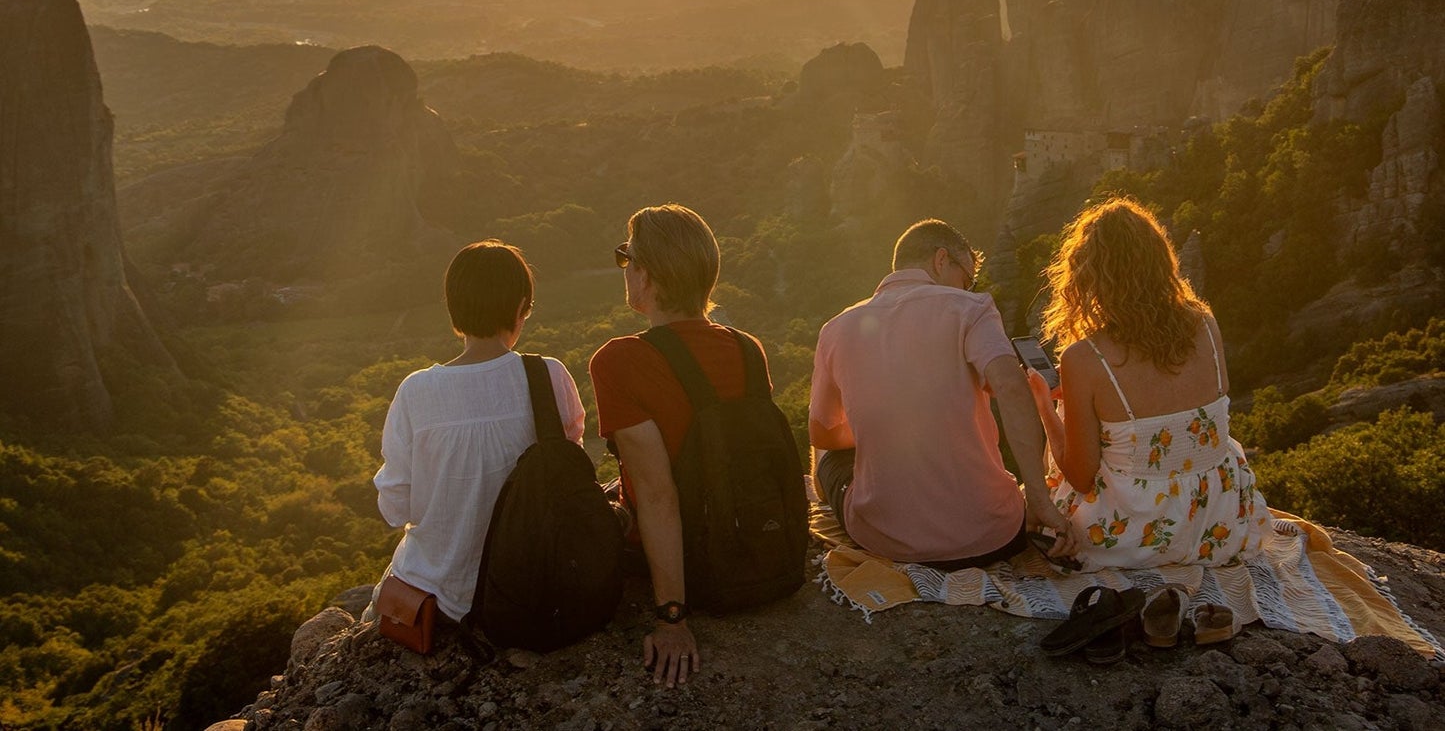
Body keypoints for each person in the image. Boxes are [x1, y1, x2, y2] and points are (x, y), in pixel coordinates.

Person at [809, 218, 1075, 567]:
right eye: (966, 277)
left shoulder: (836, 328)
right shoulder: (971, 308)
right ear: (940, 259)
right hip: (994, 536)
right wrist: (1038, 498)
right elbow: (1010, 385)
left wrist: (885, 429)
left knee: (828, 456)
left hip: (886, 541)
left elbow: (823, 432)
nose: (967, 288)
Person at [589, 203, 780, 688]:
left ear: (647, 276)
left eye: (626, 258)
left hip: (686, 560)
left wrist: (671, 618)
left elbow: (657, 494)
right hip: (749, 542)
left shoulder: (619, 361)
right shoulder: (747, 348)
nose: (624, 269)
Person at [1027, 197, 1270, 569]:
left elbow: (1080, 476)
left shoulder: (1084, 358)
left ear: (1087, 275)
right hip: (1219, 524)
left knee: (1033, 514)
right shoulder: (1205, 323)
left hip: (1134, 536)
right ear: (1161, 260)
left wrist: (1044, 405)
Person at [370, 240, 585, 626]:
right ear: (521, 308)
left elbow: (395, 509)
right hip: (531, 588)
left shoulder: (416, 391)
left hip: (436, 599)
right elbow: (568, 476)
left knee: (372, 609)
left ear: (454, 309)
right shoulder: (549, 376)